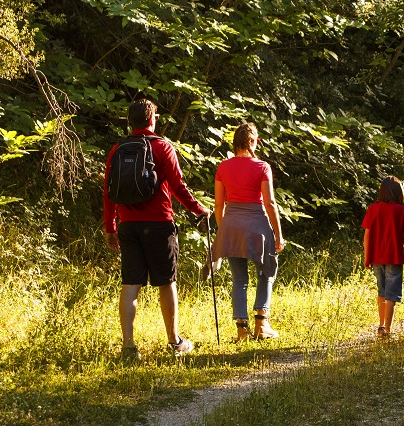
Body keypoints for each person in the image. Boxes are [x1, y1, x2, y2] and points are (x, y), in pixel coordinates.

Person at [104, 99, 211, 361]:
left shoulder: (117, 149)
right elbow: (177, 186)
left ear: (131, 121)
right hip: (160, 224)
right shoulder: (162, 147)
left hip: (128, 225)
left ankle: (128, 348)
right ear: (153, 120)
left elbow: (108, 192)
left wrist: (110, 226)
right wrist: (200, 210)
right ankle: (174, 343)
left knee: (130, 284)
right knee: (166, 282)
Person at [212, 122, 285, 341]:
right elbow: (270, 203)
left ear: (235, 144)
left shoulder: (223, 167)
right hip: (258, 227)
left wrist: (223, 230)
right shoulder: (262, 167)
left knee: (239, 279)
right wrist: (279, 234)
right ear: (252, 142)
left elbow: (218, 205)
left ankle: (242, 330)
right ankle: (262, 324)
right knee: (267, 270)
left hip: (231, 225)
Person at [361, 176, 404, 337]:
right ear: (398, 193)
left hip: (377, 257)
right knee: (391, 295)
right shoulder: (401, 210)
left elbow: (367, 235)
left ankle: (380, 326)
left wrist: (367, 257)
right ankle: (388, 329)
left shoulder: (373, 209)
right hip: (394, 256)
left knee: (381, 292)